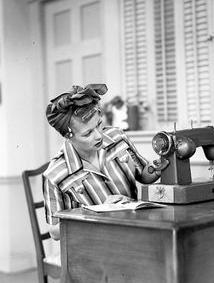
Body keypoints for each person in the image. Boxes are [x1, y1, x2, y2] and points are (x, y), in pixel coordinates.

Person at [43, 84, 169, 240]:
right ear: (68, 136)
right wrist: (98, 210)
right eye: (88, 133)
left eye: (98, 125)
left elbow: (144, 175)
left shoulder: (117, 138)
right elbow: (54, 232)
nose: (98, 136)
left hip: (134, 231)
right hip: (94, 243)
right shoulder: (55, 175)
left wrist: (157, 166)